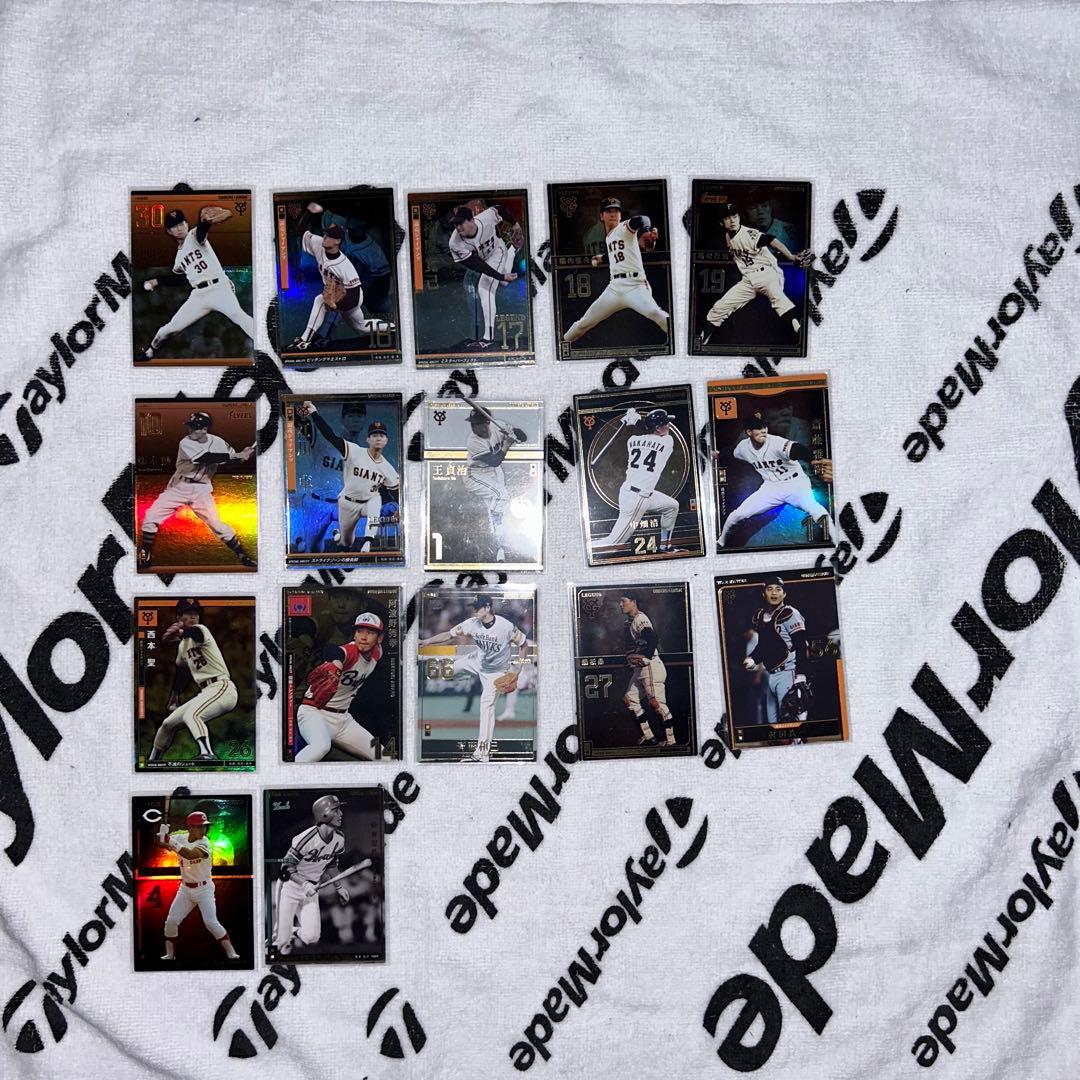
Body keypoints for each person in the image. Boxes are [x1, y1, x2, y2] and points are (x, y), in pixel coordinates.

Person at [137, 411, 256, 569]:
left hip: (202, 489)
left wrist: (243, 458)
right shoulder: (185, 442)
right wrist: (237, 455)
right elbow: (205, 457)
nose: (191, 430)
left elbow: (228, 465)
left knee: (217, 524)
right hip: (180, 486)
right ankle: (145, 553)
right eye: (190, 426)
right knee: (151, 515)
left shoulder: (219, 442)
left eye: (196, 427)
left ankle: (242, 555)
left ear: (205, 429)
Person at [418, 594, 527, 762]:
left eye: (477, 607)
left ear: (488, 608)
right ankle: (463, 677)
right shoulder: (472, 623)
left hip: (496, 673)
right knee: (445, 671)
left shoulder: (505, 626)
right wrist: (426, 641)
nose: (474, 610)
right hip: (477, 660)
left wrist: (518, 669)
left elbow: (523, 644)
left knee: (486, 706)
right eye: (473, 607)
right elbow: (448, 635)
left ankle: (482, 754)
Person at [138, 206, 254, 361]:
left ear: (186, 224)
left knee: (238, 316)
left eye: (181, 223)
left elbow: (202, 231)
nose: (179, 228)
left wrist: (205, 222)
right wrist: (157, 281)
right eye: (174, 226)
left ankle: (264, 342)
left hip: (219, 289)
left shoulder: (193, 236)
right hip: (199, 295)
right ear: (169, 231)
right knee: (171, 328)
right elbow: (182, 279)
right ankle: (150, 352)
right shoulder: (178, 260)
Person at [715, 410, 830, 547]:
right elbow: (731, 450)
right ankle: (720, 544)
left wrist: (814, 459)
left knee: (817, 511)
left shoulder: (777, 442)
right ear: (749, 432)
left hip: (795, 484)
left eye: (764, 427)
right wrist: (717, 454)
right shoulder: (743, 447)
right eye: (758, 428)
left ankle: (837, 541)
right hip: (771, 487)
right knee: (737, 515)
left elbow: (798, 450)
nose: (763, 430)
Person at [288, 202, 394, 351]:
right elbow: (300, 231)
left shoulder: (345, 266)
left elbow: (354, 294)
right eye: (325, 234)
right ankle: (393, 327)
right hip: (337, 293)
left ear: (337, 241)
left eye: (328, 236)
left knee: (320, 300)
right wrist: (308, 212)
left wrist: (336, 304)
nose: (324, 237)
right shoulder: (319, 243)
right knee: (361, 327)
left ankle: (304, 341)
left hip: (352, 297)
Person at [562, 197, 669, 344]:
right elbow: (617, 253)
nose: (613, 214)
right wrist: (603, 258)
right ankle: (562, 343)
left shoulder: (624, 228)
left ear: (620, 215)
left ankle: (678, 337)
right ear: (601, 216)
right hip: (614, 288)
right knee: (585, 322)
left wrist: (645, 231)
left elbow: (642, 219)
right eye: (608, 211)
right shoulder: (609, 237)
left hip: (635, 285)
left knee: (655, 312)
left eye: (616, 211)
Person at [700, 203, 809, 345]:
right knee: (720, 307)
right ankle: (701, 340)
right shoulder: (728, 236)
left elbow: (771, 240)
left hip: (767, 274)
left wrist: (791, 256)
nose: (732, 220)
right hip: (748, 280)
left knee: (779, 301)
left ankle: (801, 333)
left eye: (735, 216)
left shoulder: (748, 234)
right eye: (727, 218)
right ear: (721, 222)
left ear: (739, 217)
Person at [297, 401, 399, 553]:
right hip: (317, 503)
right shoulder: (323, 438)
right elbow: (294, 419)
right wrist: (306, 411)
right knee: (312, 549)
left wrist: (392, 503)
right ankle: (304, 542)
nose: (355, 419)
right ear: (342, 419)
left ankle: (340, 538)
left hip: (343, 505)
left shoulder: (365, 453)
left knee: (347, 543)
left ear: (364, 420)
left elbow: (376, 481)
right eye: (350, 416)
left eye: (359, 415)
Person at [148, 598, 238, 763]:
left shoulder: (201, 630)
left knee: (192, 714)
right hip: (207, 691)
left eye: (195, 613)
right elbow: (182, 672)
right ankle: (152, 761)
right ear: (179, 617)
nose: (193, 616)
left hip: (222, 687)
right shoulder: (182, 647)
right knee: (167, 724)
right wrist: (174, 696)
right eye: (187, 613)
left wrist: (181, 632)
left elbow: (195, 633)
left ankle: (207, 753)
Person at [294, 612, 386, 761]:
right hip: (315, 713)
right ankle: (286, 774)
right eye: (359, 631)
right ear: (354, 635)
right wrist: (336, 662)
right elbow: (332, 650)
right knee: (320, 747)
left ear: (380, 638)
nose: (363, 637)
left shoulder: (377, 652)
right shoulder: (351, 652)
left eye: (370, 632)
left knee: (385, 756)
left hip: (343, 721)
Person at [595, 408, 681, 554]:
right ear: (658, 428)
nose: (668, 426)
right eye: (665, 423)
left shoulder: (632, 440)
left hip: (638, 493)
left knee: (672, 506)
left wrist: (633, 421)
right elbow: (650, 437)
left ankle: (665, 546)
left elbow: (645, 435)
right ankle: (583, 548)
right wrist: (638, 421)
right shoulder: (668, 441)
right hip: (637, 499)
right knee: (613, 544)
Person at [158, 810, 240, 962]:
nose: (204, 829)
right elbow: (161, 844)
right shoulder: (181, 837)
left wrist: (170, 840)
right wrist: (162, 835)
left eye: (205, 826)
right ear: (190, 827)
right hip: (185, 889)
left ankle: (231, 953)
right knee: (171, 921)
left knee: (210, 922)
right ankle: (170, 956)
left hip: (204, 889)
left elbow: (190, 854)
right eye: (200, 826)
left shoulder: (205, 842)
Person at [273, 795, 350, 955]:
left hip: (312, 889)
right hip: (290, 886)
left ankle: (292, 930)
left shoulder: (339, 839)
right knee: (281, 943)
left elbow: (331, 863)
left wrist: (339, 887)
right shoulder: (305, 838)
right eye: (336, 810)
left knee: (311, 937)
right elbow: (286, 867)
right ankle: (283, 934)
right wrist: (304, 883)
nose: (341, 814)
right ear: (324, 813)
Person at [448, 203, 522, 349]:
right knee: (503, 282)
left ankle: (488, 338)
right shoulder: (455, 243)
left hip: (497, 252)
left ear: (472, 220)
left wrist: (515, 224)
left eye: (461, 223)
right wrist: (501, 277)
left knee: (484, 288)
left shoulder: (486, 218)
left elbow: (500, 209)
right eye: (456, 224)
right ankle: (513, 250)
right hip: (482, 261)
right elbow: (477, 265)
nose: (458, 227)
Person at [742, 577, 810, 725]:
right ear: (763, 594)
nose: (774, 593)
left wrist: (801, 675)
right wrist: (753, 658)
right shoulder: (762, 617)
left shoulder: (790, 613)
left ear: (784, 594)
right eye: (770, 589)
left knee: (790, 721)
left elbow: (801, 644)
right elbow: (763, 647)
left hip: (788, 673)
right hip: (771, 675)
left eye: (778, 589)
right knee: (773, 724)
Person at [463, 408, 522, 562]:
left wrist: (514, 433)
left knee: (500, 505)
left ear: (487, 423)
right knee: (500, 496)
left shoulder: (498, 426)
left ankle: (499, 547)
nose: (475, 427)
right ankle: (495, 529)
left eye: (478, 423)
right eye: (473, 424)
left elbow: (523, 436)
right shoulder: (473, 441)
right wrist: (507, 443)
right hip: (476, 474)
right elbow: (495, 461)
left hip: (495, 472)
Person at [619, 593, 676, 747]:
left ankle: (670, 740)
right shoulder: (629, 622)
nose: (620, 604)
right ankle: (649, 736)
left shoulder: (640, 619)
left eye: (623, 601)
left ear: (633, 602)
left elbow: (652, 638)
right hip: (641, 668)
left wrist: (646, 657)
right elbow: (634, 647)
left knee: (656, 703)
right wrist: (630, 661)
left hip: (650, 665)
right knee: (629, 700)